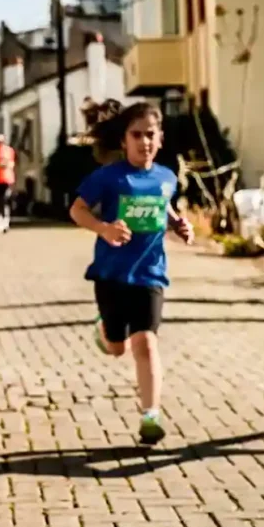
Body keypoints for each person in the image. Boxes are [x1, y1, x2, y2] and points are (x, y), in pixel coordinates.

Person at [69, 100, 195, 445]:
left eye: (150, 135)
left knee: (147, 343)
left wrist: (179, 225)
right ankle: (104, 332)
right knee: (117, 347)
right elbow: (77, 210)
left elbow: (164, 207)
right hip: (111, 275)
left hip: (150, 274)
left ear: (160, 138)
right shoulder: (109, 177)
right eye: (136, 135)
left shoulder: (167, 177)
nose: (144, 142)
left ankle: (150, 414)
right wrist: (104, 228)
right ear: (124, 140)